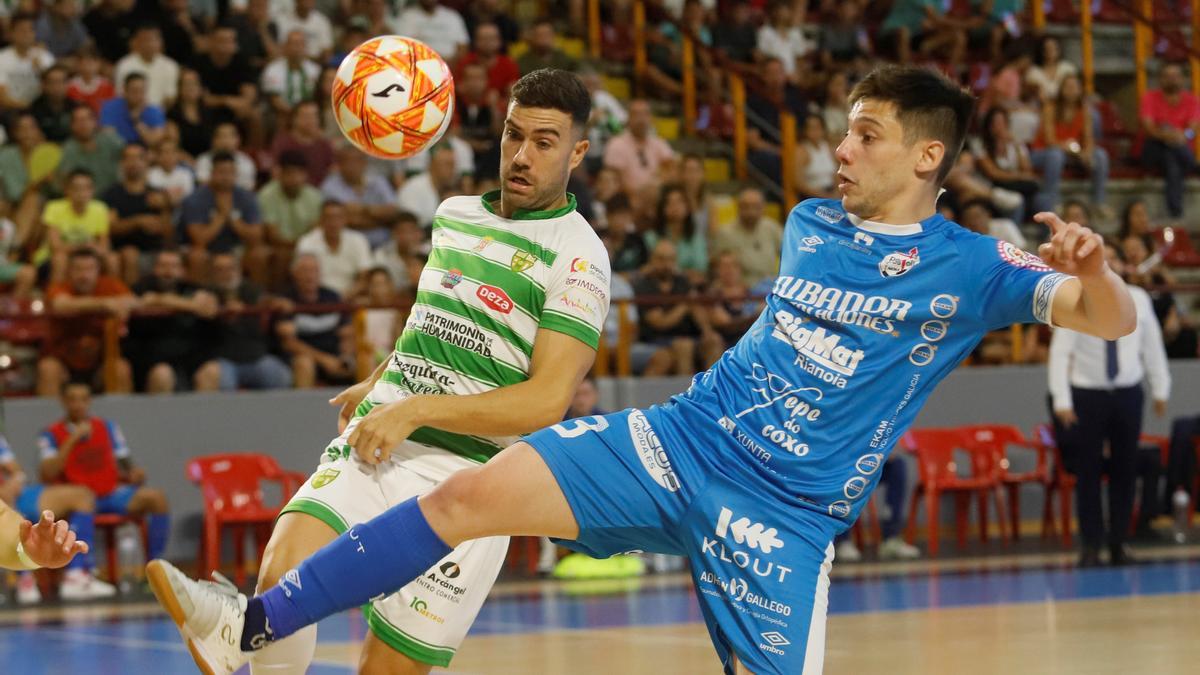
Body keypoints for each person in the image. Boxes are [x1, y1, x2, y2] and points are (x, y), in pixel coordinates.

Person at [150, 65, 1138, 675]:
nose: (841, 148)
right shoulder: (808, 223)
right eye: (844, 129)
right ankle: (250, 624)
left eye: (866, 135)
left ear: (928, 156)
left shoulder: (972, 265)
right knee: (470, 496)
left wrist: (1095, 274)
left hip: (784, 513)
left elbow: (1106, 315)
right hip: (682, 438)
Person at [154, 68, 609, 675]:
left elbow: (546, 401)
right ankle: (238, 635)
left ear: (578, 150)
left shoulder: (581, 257)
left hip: (471, 483)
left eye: (544, 142)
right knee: (279, 574)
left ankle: (236, 632)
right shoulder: (455, 214)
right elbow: (435, 320)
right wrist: (383, 378)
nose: (521, 156)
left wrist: (415, 409)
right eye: (511, 135)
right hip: (379, 442)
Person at [1048, 241, 1171, 567]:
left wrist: (1161, 387)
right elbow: (1061, 350)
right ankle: (1091, 543)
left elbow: (1152, 345)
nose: (1112, 263)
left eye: (1116, 258)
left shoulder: (1140, 299)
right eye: (1108, 258)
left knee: (1125, 468)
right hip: (1088, 393)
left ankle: (1119, 542)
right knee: (1088, 470)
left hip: (1128, 391)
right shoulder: (1078, 295)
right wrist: (1061, 397)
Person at [39, 382, 172, 565]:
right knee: (81, 501)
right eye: (73, 400)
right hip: (78, 500)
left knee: (157, 498)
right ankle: (81, 573)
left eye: (84, 399)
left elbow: (124, 462)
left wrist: (134, 473)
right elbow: (47, 473)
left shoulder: (107, 427)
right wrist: (73, 439)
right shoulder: (50, 434)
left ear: (90, 401)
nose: (79, 404)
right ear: (63, 401)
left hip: (110, 493)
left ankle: (156, 565)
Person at [0, 433, 115, 601]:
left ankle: (75, 575)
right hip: (6, 498)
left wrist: (30, 555)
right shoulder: (52, 432)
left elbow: (16, 471)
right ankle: (24, 578)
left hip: (18, 495)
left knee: (82, 495)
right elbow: (48, 470)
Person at [36, 247, 135, 396]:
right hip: (64, 365)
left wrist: (123, 306)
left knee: (120, 368)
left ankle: (120, 418)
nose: (84, 275)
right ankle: (48, 419)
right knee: (48, 368)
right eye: (78, 269)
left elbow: (132, 300)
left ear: (98, 271)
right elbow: (61, 304)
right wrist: (104, 305)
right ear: (69, 272)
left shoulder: (109, 285)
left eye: (89, 269)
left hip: (99, 364)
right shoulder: (59, 287)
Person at [126, 249, 218, 392]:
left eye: (173, 266)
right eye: (163, 266)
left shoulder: (193, 288)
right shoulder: (141, 287)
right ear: (155, 269)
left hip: (189, 354)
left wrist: (160, 300)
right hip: (153, 356)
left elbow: (209, 308)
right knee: (163, 374)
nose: (168, 271)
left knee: (212, 371)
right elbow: (142, 301)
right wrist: (191, 305)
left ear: (182, 270)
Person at [1140, 62, 1200, 219]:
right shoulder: (1150, 97)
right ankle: (1192, 165)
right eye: (1167, 76)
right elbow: (1149, 129)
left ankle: (1175, 212)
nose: (1172, 80)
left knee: (1171, 161)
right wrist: (1170, 136)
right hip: (1154, 148)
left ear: (1183, 79)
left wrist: (1183, 136)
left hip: (1177, 149)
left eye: (1175, 76)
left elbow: (1192, 131)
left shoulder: (1193, 100)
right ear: (1160, 79)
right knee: (1169, 150)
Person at [295, 200, 371, 297]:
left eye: (338, 217)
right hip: (317, 298)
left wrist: (345, 296)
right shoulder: (307, 242)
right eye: (328, 217)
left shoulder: (358, 240)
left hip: (351, 297)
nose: (333, 222)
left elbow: (364, 277)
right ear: (321, 220)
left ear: (345, 219)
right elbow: (303, 278)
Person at [711, 185, 783, 287]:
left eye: (756, 207)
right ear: (738, 207)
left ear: (763, 208)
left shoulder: (772, 228)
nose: (751, 212)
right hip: (741, 293)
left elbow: (790, 256)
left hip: (770, 288)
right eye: (746, 207)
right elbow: (716, 267)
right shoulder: (725, 233)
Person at [99, 73, 166, 146]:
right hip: (118, 151)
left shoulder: (154, 110)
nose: (139, 95)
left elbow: (153, 142)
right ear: (125, 90)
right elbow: (108, 138)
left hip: (144, 152)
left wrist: (137, 121)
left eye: (142, 91)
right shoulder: (110, 107)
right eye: (134, 91)